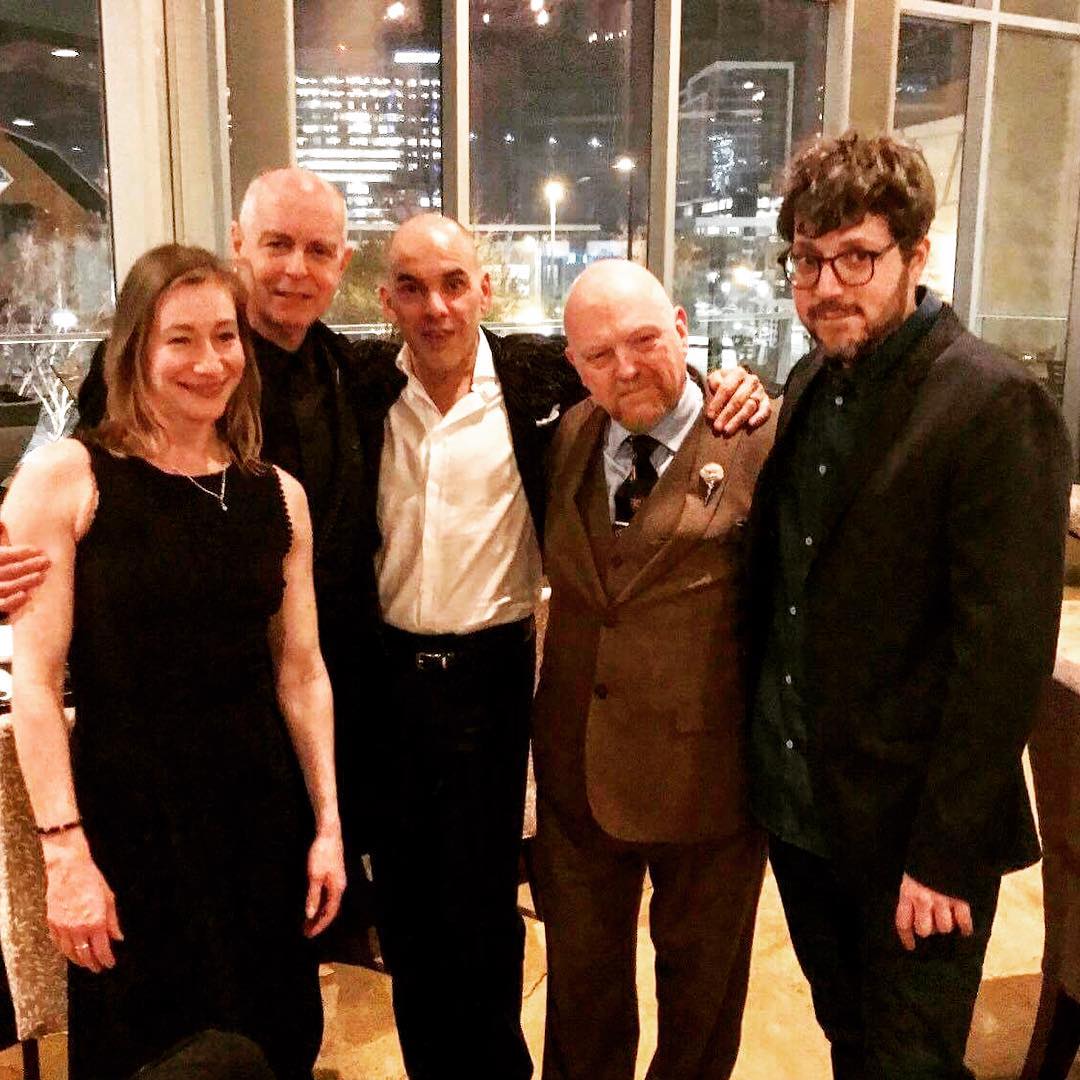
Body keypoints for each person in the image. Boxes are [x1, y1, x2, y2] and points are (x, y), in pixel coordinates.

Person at [746, 131, 1073, 1079]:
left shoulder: (992, 404)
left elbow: (1003, 657)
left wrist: (942, 853)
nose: (827, 284)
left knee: (910, 1061)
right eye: (807, 259)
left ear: (916, 255)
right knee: (852, 1036)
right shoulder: (811, 381)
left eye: (858, 256)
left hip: (914, 835)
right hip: (807, 808)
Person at [3, 245, 346, 1079]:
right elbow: (37, 688)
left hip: (260, 819)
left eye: (225, 337)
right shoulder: (71, 476)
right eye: (180, 339)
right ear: (135, 351)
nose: (209, 361)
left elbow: (301, 673)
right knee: (152, 1054)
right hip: (132, 826)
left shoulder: (278, 494)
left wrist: (329, 825)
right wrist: (65, 855)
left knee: (273, 1043)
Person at [529, 258, 775, 1080]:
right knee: (580, 996)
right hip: (577, 776)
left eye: (642, 340)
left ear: (680, 324)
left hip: (708, 777)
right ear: (574, 363)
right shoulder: (569, 436)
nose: (625, 368)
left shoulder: (758, 438)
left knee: (701, 1002)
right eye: (598, 354)